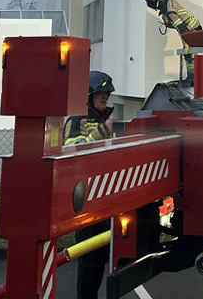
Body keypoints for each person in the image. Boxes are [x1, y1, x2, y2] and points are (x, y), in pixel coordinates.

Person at [63, 71, 116, 299]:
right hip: (87, 201)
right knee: (90, 262)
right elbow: (73, 152)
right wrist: (102, 132)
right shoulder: (76, 121)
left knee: (106, 258)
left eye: (106, 95)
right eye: (100, 95)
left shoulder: (107, 118)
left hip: (109, 198)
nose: (105, 98)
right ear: (88, 97)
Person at [146, 0, 202, 86]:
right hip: (190, 28)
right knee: (188, 53)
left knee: (190, 54)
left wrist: (186, 41)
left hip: (190, 30)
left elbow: (180, 26)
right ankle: (192, 77)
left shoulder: (169, 11)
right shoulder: (167, 2)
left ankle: (193, 77)